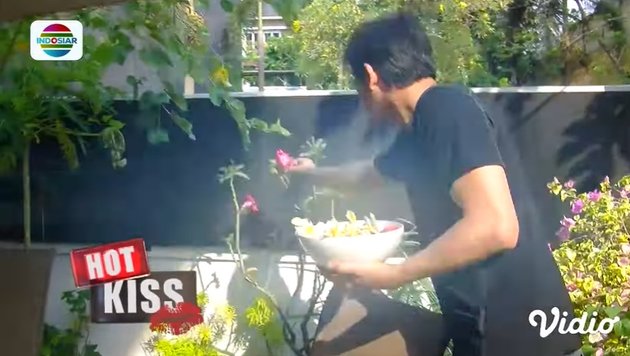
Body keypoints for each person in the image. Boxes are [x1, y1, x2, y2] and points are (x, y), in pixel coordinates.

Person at [286, 13, 582, 356]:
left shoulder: (445, 107)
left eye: (356, 85)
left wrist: (394, 274)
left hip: (521, 338)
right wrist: (311, 172)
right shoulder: (418, 130)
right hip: (487, 332)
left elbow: (496, 226)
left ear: (370, 76)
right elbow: (367, 175)